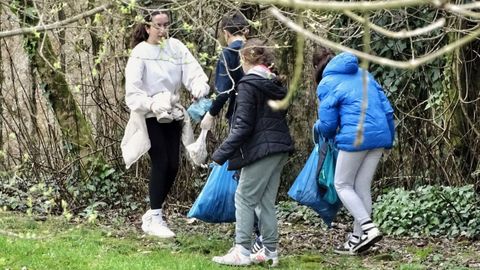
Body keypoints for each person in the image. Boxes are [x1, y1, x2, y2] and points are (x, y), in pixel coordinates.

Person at [123, 9, 210, 238]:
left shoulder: (175, 48)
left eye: (166, 25)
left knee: (173, 165)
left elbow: (193, 72)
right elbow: (132, 92)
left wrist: (199, 87)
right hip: (150, 115)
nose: (163, 30)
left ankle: (152, 214)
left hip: (172, 113)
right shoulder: (140, 53)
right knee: (161, 161)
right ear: (147, 27)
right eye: (158, 25)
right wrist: (151, 105)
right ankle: (156, 216)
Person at [211, 38, 294, 267]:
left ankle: (242, 251)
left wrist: (220, 154)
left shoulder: (248, 84)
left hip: (262, 150)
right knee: (264, 201)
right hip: (279, 149)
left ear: (245, 58)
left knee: (244, 197)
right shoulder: (274, 82)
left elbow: (243, 126)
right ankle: (270, 252)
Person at [313, 49, 395, 255]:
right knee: (361, 186)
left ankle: (368, 228)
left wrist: (320, 129)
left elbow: (329, 124)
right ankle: (356, 240)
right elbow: (387, 110)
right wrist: (389, 138)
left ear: (318, 67)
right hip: (381, 135)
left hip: (355, 137)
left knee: (342, 184)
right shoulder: (365, 74)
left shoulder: (327, 82)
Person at [200, 11, 264, 253]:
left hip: (240, 118)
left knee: (243, 178)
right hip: (264, 120)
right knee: (257, 180)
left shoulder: (228, 54)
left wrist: (211, 113)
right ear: (246, 30)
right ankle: (261, 237)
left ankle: (254, 238)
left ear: (226, 33)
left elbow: (224, 91)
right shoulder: (258, 51)